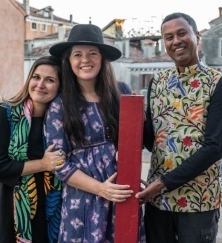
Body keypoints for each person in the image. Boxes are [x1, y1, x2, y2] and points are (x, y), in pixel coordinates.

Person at [135, 12, 222, 243]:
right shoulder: (157, 82)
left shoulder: (219, 83)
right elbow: (154, 142)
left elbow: (214, 147)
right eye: (168, 37)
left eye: (182, 33)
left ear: (196, 36)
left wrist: (162, 184)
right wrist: (139, 124)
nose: (176, 41)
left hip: (199, 200)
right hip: (158, 201)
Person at [44, 24, 146, 243]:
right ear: (69, 61)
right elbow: (59, 164)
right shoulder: (59, 106)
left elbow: (131, 143)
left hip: (121, 191)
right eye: (77, 54)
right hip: (82, 200)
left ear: (102, 59)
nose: (85, 60)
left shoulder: (122, 93)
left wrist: (131, 162)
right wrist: (101, 189)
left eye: (92, 53)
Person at [0, 56, 66, 243]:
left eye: (50, 80)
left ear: (60, 87)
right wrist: (43, 164)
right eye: (36, 77)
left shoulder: (61, 124)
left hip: (49, 210)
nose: (40, 84)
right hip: (12, 210)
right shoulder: (3, 113)